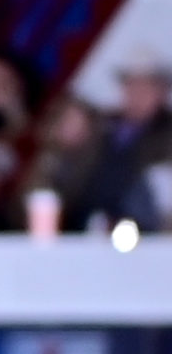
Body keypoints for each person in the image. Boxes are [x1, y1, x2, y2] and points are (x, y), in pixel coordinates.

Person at [62, 53, 172, 231]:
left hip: (142, 232)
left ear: (162, 92)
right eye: (132, 86)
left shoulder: (167, 136)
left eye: (146, 87)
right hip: (82, 225)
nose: (137, 95)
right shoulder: (97, 128)